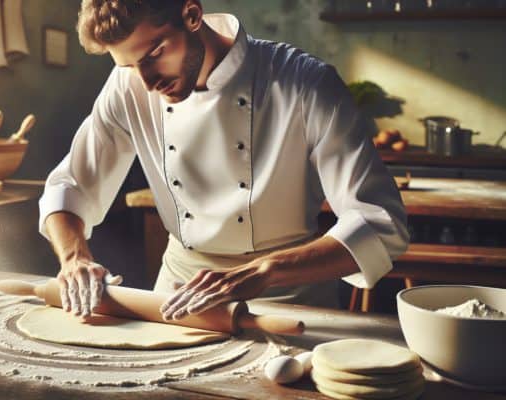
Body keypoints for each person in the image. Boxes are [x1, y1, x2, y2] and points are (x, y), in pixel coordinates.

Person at [39, 0, 408, 320]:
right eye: (129, 66)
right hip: (179, 295)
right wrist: (74, 258)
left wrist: (265, 270)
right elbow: (70, 184)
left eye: (154, 53)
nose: (147, 82)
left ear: (193, 14)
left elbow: (378, 222)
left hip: (289, 296)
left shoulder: (304, 82)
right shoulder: (128, 87)